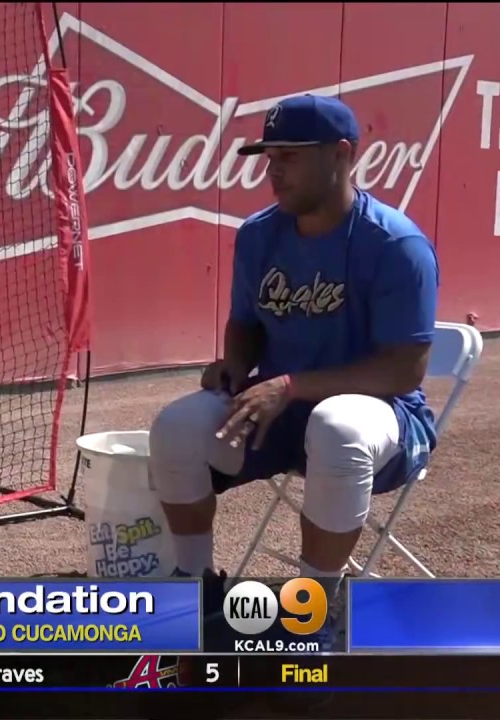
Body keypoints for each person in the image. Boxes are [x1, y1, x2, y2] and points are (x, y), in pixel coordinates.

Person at [148, 95, 440, 646]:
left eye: (290, 155)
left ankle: (314, 610)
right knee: (176, 427)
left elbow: (404, 370)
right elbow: (245, 323)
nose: (272, 169)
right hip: (279, 413)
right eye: (268, 155)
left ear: (342, 154)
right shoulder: (260, 233)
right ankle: (194, 583)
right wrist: (236, 365)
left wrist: (288, 385)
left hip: (385, 420)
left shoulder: (396, 244)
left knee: (338, 426)